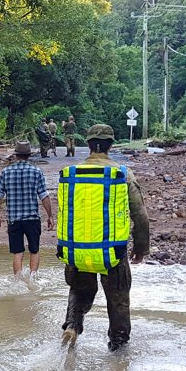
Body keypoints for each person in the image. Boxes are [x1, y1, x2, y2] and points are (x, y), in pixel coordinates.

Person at [57, 124, 149, 351]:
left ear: (88, 145)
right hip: (112, 252)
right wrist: (140, 248)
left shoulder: (72, 174)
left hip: (77, 249)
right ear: (111, 145)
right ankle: (118, 348)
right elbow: (140, 216)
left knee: (79, 291)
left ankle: (72, 326)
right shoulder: (122, 174)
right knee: (118, 299)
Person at [0, 141, 55, 278]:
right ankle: (33, 278)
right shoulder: (36, 171)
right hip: (32, 219)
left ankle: (17, 281)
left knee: (18, 252)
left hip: (14, 219)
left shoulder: (6, 172)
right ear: (29, 155)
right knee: (34, 250)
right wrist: (50, 216)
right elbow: (44, 196)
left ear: (16, 155)